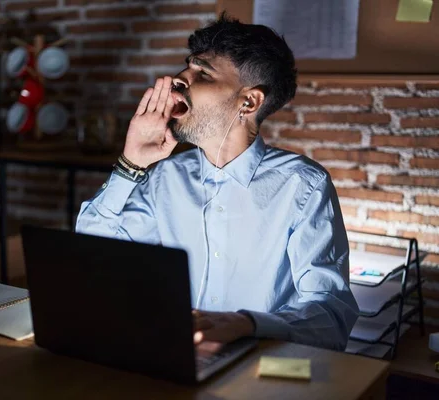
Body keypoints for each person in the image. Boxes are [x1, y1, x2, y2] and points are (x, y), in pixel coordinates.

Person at [76, 13, 358, 351]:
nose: (180, 78)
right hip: (172, 358)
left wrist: (244, 324)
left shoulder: (304, 185)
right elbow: (93, 253)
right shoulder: (165, 176)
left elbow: (330, 316)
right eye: (187, 66)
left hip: (259, 370)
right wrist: (130, 163)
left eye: (203, 72)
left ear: (249, 101)